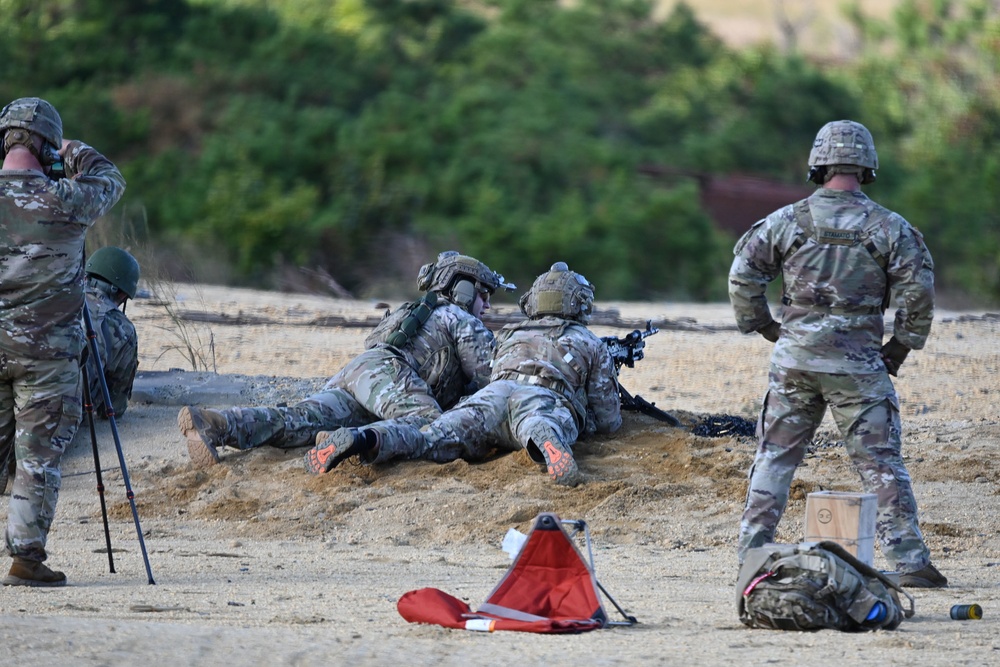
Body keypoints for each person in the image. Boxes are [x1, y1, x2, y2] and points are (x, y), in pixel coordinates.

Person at [728, 119, 946, 588]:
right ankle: (910, 562)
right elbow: (919, 291)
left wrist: (766, 327)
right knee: (880, 463)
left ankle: (751, 554)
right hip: (859, 367)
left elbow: (743, 275)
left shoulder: (785, 221)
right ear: (867, 167)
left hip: (796, 361)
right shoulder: (892, 228)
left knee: (775, 458)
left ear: (818, 165)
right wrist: (901, 346)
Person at [179, 251, 512, 470]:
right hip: (389, 376)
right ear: (465, 290)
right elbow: (493, 381)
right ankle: (354, 440)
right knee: (428, 425)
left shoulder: (413, 311)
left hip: (360, 374)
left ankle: (216, 423)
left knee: (300, 420)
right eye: (484, 295)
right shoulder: (459, 318)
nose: (487, 306)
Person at [308, 262, 622, 487]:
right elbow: (608, 420)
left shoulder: (511, 334)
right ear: (580, 305)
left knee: (429, 439)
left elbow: (491, 372)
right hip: (541, 398)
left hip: (491, 396)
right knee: (540, 422)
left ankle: (366, 438)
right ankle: (547, 440)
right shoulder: (589, 342)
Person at [0, 97, 127, 586]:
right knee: (37, 457)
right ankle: (25, 558)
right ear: (47, 145)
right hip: (47, 355)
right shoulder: (66, 198)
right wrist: (71, 151)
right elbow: (111, 178)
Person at [83, 246, 140, 420]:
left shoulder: (53, 298)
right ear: (122, 293)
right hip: (58, 417)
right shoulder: (124, 329)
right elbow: (113, 408)